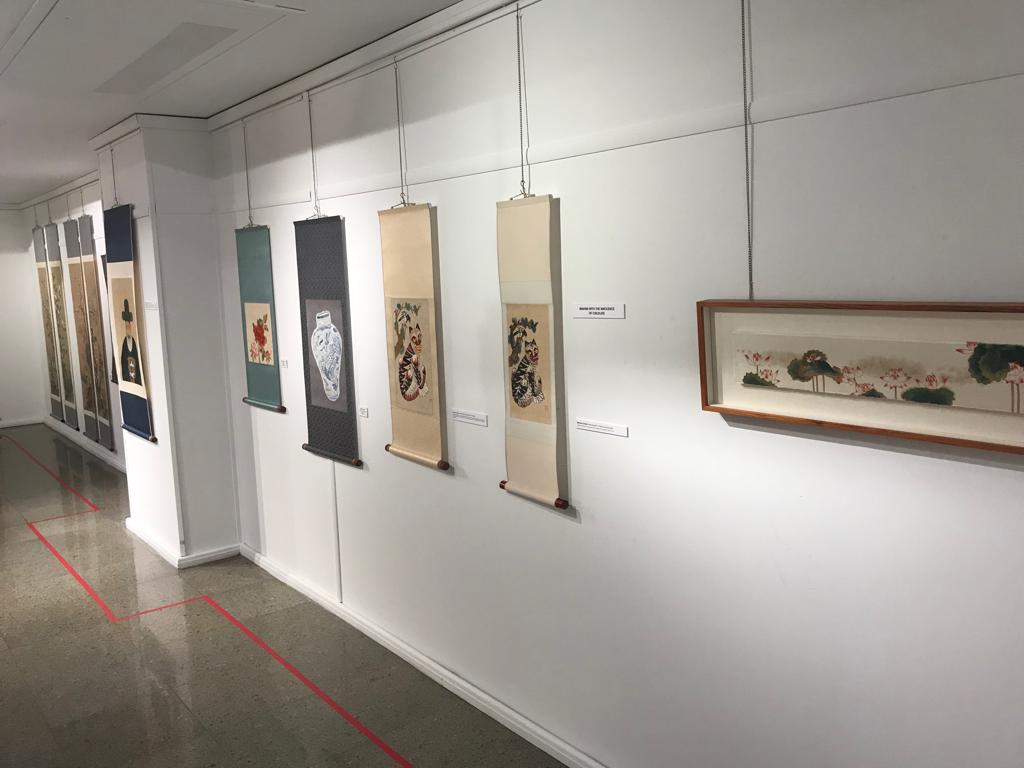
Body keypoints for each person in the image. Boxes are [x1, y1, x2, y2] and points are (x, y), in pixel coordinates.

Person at [120, 299, 141, 384]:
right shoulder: (125, 343)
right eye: (126, 327)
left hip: (135, 374)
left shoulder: (134, 342)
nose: (128, 330)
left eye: (129, 327)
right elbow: (123, 360)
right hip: (127, 375)